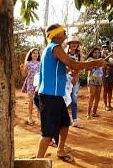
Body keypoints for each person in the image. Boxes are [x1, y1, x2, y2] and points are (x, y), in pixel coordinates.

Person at [36, 23, 106, 161]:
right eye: (63, 31)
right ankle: (37, 162)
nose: (65, 33)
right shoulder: (55, 48)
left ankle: (60, 150)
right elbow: (73, 64)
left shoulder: (50, 49)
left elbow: (68, 68)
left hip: (54, 95)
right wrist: (95, 63)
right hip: (50, 96)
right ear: (56, 35)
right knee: (48, 133)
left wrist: (74, 70)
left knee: (64, 124)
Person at [66, 35, 84, 128]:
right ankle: (66, 118)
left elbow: (81, 66)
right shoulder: (65, 54)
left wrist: (75, 75)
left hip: (75, 78)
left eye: (76, 43)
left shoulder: (79, 55)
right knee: (65, 99)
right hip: (65, 78)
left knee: (74, 99)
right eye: (72, 43)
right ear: (69, 44)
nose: (74, 44)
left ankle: (75, 119)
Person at [20, 48, 40, 126]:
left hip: (38, 84)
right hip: (30, 83)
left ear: (38, 55)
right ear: (31, 55)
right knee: (31, 101)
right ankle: (30, 118)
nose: (35, 54)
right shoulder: (28, 63)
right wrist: (22, 69)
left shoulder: (41, 63)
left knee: (39, 101)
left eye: (37, 53)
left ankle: (40, 116)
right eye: (34, 53)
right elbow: (24, 75)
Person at [86, 47, 104, 119]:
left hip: (99, 80)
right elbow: (86, 69)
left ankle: (94, 112)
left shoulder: (101, 60)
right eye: (95, 52)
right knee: (92, 96)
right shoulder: (90, 60)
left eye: (98, 53)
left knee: (98, 96)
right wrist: (94, 65)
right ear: (92, 53)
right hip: (92, 79)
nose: (97, 54)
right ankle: (88, 114)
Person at [102, 41, 113, 111]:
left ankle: (109, 104)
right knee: (105, 89)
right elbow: (104, 63)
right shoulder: (107, 55)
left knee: (110, 90)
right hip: (105, 74)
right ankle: (106, 105)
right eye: (112, 47)